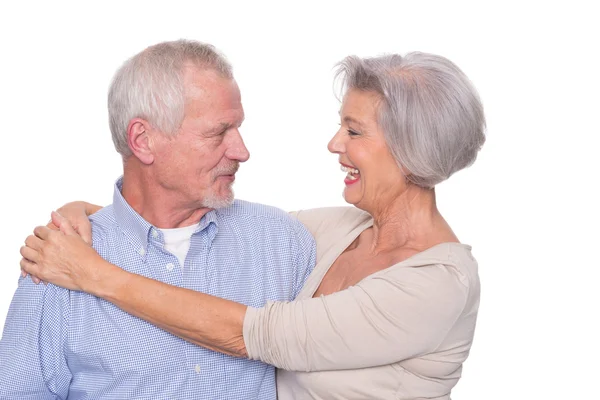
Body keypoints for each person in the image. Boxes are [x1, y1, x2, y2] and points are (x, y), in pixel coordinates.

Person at [21, 51, 486, 399]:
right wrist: (84, 212)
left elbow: (259, 335)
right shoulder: (332, 233)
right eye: (218, 131)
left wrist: (96, 276)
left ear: (411, 149)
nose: (333, 143)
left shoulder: (438, 284)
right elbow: (171, 216)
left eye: (355, 130)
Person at [0, 40, 316, 400]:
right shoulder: (58, 264)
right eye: (217, 133)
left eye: (238, 128)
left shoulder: (281, 240)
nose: (241, 151)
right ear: (143, 140)